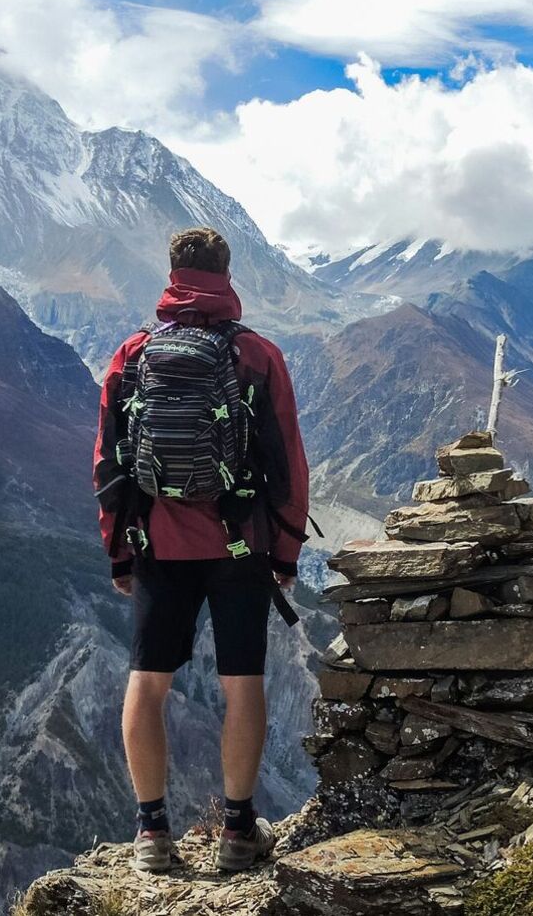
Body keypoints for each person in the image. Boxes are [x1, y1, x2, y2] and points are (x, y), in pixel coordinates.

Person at [92, 227, 311, 873]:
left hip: (157, 543)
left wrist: (119, 552)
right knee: (243, 684)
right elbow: (288, 463)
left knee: (148, 682)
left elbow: (108, 462)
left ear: (171, 274)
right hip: (240, 545)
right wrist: (286, 552)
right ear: (227, 273)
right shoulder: (258, 355)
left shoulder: (132, 355)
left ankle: (152, 834)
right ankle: (239, 831)